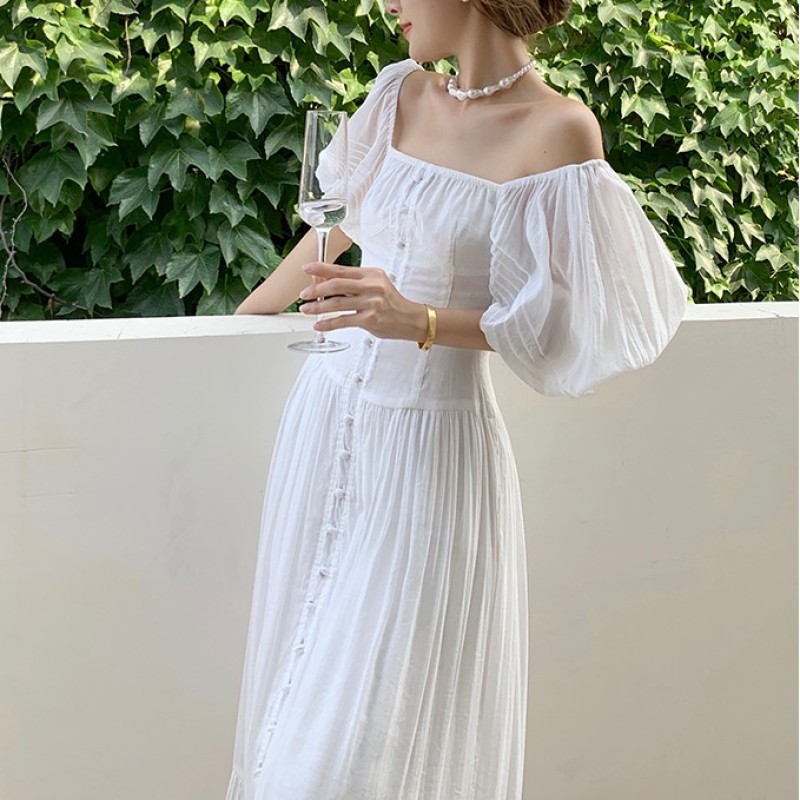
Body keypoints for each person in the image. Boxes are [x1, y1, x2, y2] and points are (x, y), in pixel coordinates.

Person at [227, 0, 688, 798]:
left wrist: (420, 319)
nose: (388, 6)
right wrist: (242, 320)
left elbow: (560, 324)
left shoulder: (559, 131)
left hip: (430, 456)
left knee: (348, 749)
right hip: (326, 417)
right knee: (291, 693)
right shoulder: (397, 94)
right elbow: (332, 229)